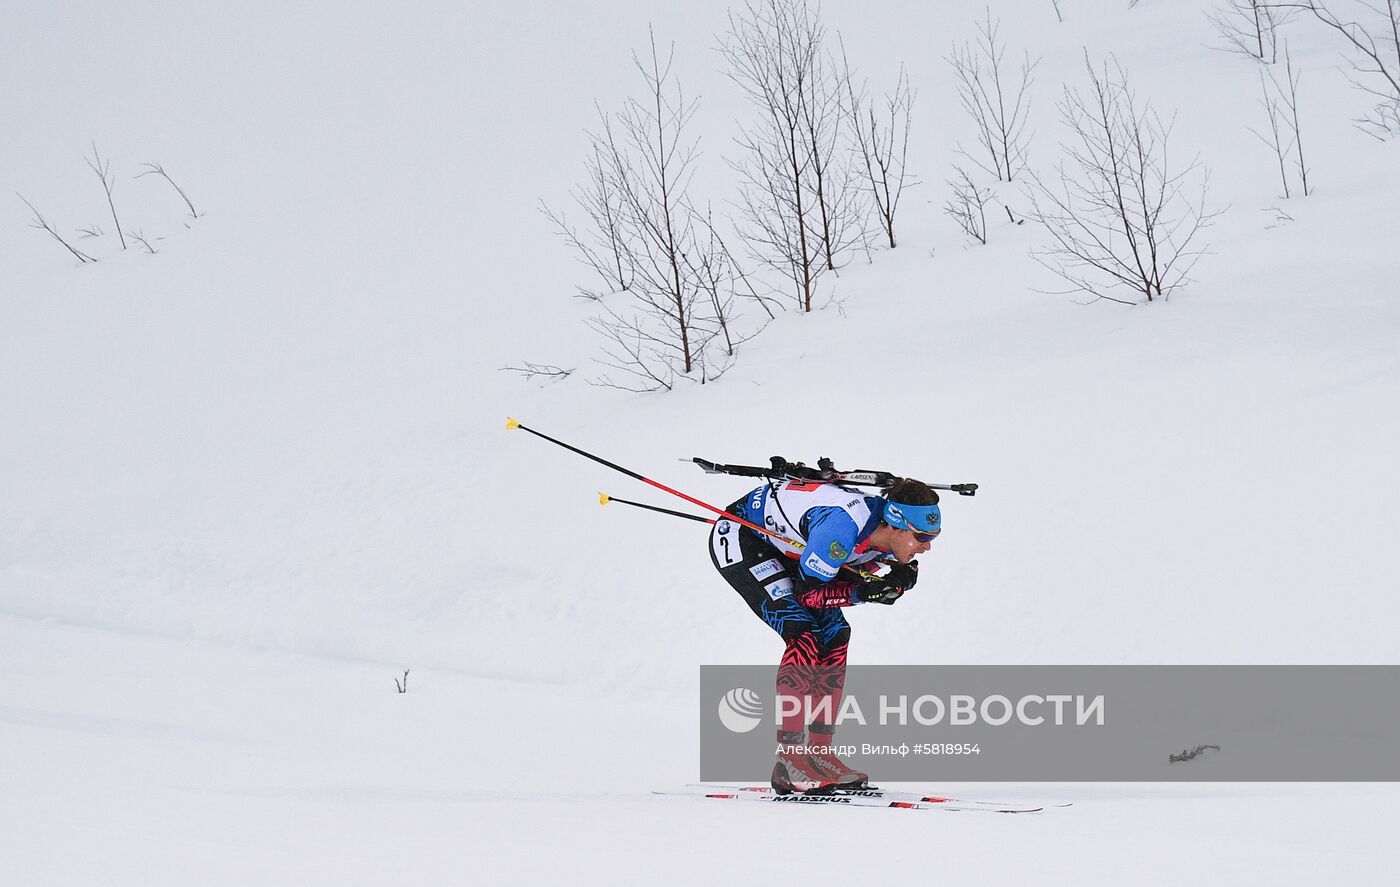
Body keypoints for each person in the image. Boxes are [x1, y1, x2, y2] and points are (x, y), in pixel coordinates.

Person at [708, 476, 941, 794]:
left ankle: (819, 753)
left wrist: (900, 578)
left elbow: (892, 570)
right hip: (746, 539)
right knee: (803, 634)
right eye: (922, 537)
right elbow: (809, 595)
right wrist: (863, 593)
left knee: (835, 636)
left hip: (793, 548)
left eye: (933, 537)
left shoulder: (886, 534)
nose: (927, 546)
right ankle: (790, 760)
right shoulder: (840, 530)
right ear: (895, 525)